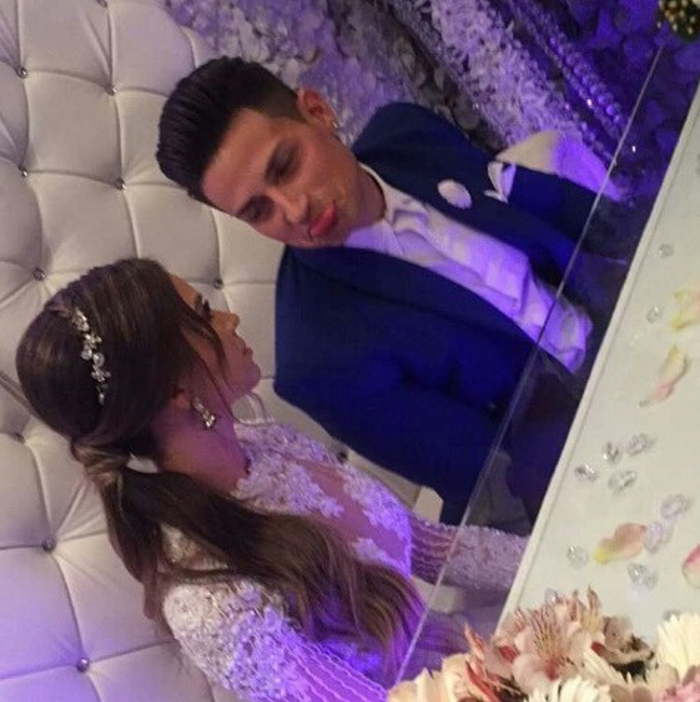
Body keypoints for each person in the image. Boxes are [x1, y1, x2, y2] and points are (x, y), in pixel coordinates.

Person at [16, 257, 527, 702]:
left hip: (489, 659)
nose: (230, 318)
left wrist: (549, 557)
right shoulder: (210, 603)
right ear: (175, 389)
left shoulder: (266, 443)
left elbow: (429, 545)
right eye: (204, 314)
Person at [156, 58, 626, 522]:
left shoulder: (405, 133)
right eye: (259, 211)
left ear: (317, 111)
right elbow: (499, 480)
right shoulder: (319, 358)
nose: (294, 210)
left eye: (286, 166)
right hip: (586, 456)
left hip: (627, 314)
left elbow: (579, 216)